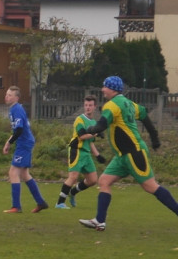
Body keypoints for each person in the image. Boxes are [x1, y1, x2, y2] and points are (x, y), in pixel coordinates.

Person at [76, 75, 178, 231]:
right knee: (104, 181)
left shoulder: (112, 105)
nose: (103, 89)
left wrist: (89, 130)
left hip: (133, 153)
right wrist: (154, 138)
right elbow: (144, 116)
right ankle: (100, 221)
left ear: (112, 89)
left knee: (150, 186)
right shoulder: (129, 103)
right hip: (122, 155)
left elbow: (101, 124)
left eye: (105, 86)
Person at [2, 85, 50, 213]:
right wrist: (9, 142)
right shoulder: (14, 109)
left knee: (13, 173)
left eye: (10, 95)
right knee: (24, 174)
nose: (6, 97)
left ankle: (16, 206)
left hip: (24, 144)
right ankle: (41, 202)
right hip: (25, 142)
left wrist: (10, 142)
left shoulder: (17, 109)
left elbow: (19, 129)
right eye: (6, 94)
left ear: (16, 98)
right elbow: (17, 129)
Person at [55, 95, 107, 209]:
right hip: (76, 151)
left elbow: (90, 142)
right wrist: (96, 133)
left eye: (90, 105)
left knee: (93, 180)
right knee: (73, 177)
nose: (88, 107)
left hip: (86, 153)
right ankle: (59, 203)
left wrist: (97, 155)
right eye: (86, 105)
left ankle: (73, 192)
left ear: (95, 107)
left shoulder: (93, 122)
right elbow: (83, 136)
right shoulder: (80, 119)